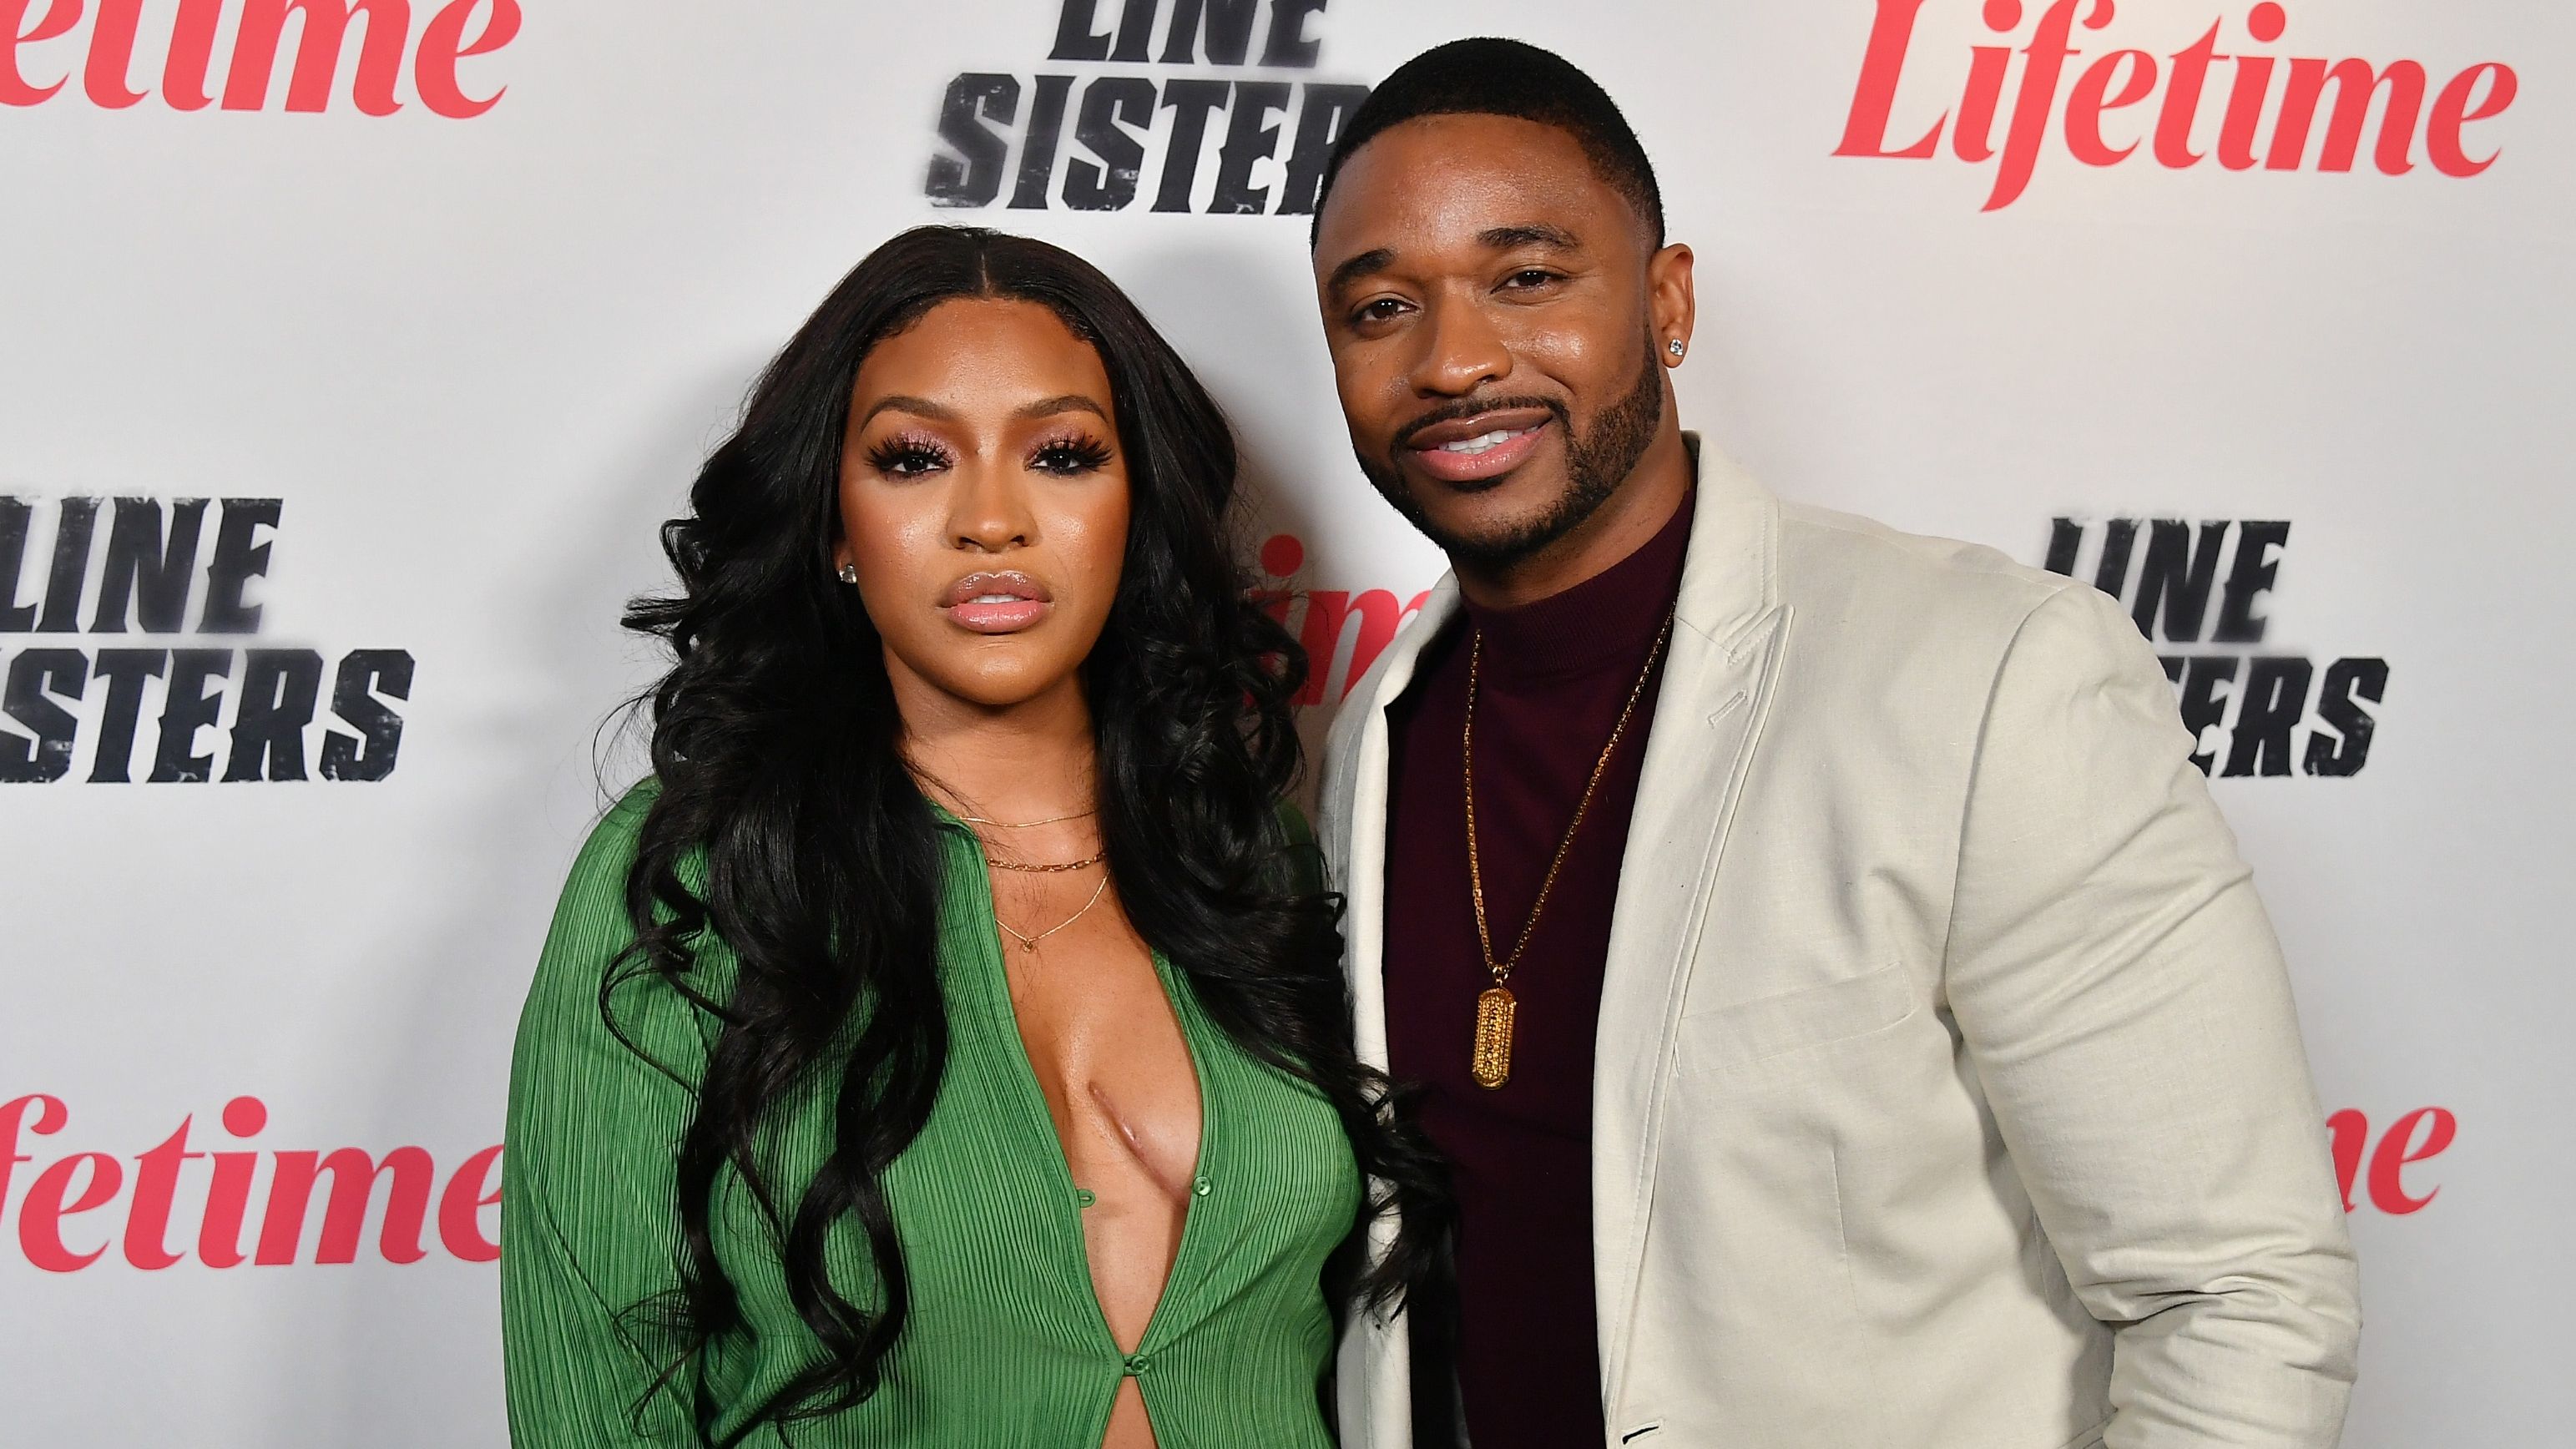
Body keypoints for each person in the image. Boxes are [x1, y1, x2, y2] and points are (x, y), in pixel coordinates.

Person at [1306, 38, 2361, 1449]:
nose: (1455, 360)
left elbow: (2235, 1299)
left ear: (1666, 302)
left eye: (1527, 277)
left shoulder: (1982, 676)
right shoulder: (1372, 735)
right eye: (1381, 307)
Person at [501, 225, 1440, 1448]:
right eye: (911, 459)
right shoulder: (703, 883)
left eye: (1060, 454)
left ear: (1133, 507)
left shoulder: (1247, 855)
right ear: (834, 527)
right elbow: (595, 1396)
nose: (990, 519)